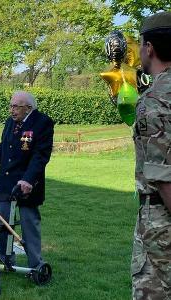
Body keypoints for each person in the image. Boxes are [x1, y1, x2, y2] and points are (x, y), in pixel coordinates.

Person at [0, 91, 54, 269]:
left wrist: (28, 180)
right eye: (11, 105)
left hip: (27, 186)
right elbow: (1, 150)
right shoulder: (10, 122)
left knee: (29, 224)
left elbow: (40, 156)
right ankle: (5, 260)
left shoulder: (42, 123)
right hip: (6, 185)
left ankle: (35, 267)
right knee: (3, 225)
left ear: (29, 108)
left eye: (16, 106)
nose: (12, 110)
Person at [131, 11, 171, 300]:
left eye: (141, 44)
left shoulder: (155, 100)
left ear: (150, 48)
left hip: (161, 220)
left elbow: (164, 177)